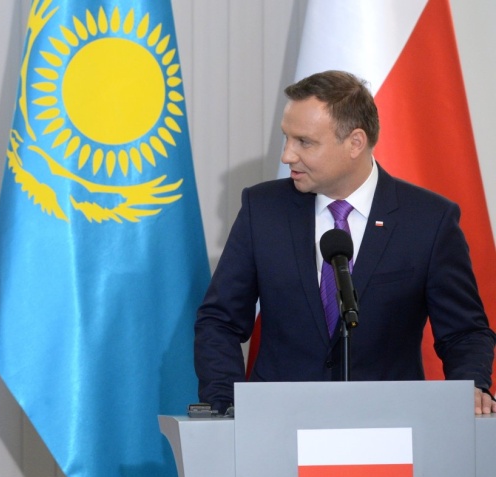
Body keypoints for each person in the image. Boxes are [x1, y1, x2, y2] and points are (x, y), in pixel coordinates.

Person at [194, 70, 495, 415]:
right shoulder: (263, 210)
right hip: (277, 428)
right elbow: (219, 321)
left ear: (355, 142)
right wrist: (227, 405)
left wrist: (471, 387)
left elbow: (464, 333)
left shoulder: (428, 220)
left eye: (304, 142)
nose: (287, 155)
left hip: (389, 430)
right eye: (286, 138)